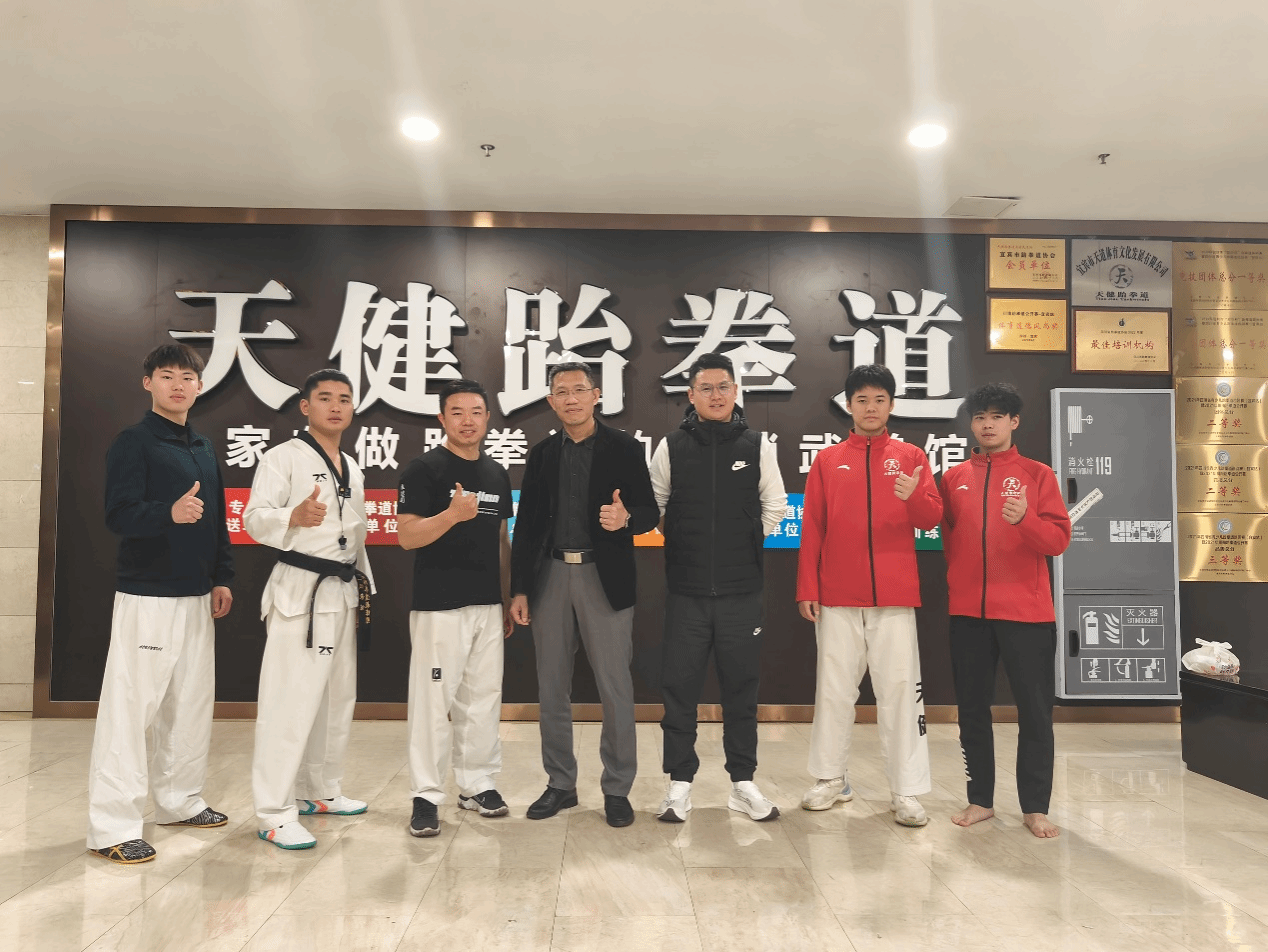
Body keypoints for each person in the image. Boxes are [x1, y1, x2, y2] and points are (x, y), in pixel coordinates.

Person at [86, 342, 234, 864]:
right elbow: (118, 514)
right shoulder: (134, 442)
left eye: (187, 377)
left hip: (196, 596)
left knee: (188, 705)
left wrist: (222, 576)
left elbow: (216, 518)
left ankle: (179, 801)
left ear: (200, 386)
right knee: (130, 712)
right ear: (147, 382)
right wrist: (167, 513)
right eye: (167, 375)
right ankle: (111, 827)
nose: (178, 385)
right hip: (148, 595)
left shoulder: (203, 447)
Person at [508, 362, 658, 828]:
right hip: (551, 576)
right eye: (561, 391)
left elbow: (649, 511)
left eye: (579, 389)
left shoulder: (624, 448)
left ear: (596, 395)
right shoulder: (541, 454)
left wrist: (626, 519)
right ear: (550, 401)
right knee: (552, 687)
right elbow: (527, 526)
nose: (570, 398)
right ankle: (561, 784)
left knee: (615, 687)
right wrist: (519, 588)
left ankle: (617, 788)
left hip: (602, 577)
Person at [796, 363, 942, 827]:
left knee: (900, 692)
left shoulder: (912, 457)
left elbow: (930, 519)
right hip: (837, 594)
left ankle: (906, 789)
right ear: (849, 406)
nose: (871, 407)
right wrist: (808, 587)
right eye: (862, 400)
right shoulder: (827, 461)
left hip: (895, 596)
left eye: (879, 399)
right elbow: (812, 527)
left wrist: (913, 496)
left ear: (891, 405)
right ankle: (830, 779)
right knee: (834, 690)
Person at [649, 352, 787, 822]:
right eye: (705, 388)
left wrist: (743, 542)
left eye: (723, 386)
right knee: (679, 690)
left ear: (735, 391)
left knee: (741, 690)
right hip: (686, 592)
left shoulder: (756, 444)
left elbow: (775, 504)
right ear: (691, 395)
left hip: (741, 593)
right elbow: (656, 504)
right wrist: (685, 541)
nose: (715, 395)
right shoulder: (672, 446)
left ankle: (742, 782)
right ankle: (679, 784)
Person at [245, 369, 375, 850]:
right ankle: (273, 812)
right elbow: (253, 518)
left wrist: (364, 588)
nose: (335, 407)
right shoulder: (282, 457)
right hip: (300, 592)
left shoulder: (352, 466)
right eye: (325, 398)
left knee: (335, 700)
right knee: (288, 703)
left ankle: (319, 790)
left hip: (340, 591)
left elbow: (354, 536)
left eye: (344, 399)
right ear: (305, 406)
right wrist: (292, 516)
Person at [939, 383, 1071, 839]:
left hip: (1027, 615)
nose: (987, 424)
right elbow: (949, 539)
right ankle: (980, 799)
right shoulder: (954, 478)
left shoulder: (1038, 475)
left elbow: (1058, 541)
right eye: (980, 417)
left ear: (1014, 422)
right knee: (972, 710)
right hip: (967, 613)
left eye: (997, 416)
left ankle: (1035, 808)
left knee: (1034, 713)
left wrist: (1025, 521)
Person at [397, 379, 514, 838]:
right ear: (442, 419)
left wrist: (505, 598)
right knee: (433, 704)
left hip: (486, 606)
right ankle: (426, 796)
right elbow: (407, 536)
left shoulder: (496, 473)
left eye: (476, 412)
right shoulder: (423, 470)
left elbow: (501, 541)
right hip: (439, 606)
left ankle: (477, 784)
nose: (468, 421)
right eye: (458, 412)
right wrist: (451, 515)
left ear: (487, 418)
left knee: (483, 699)